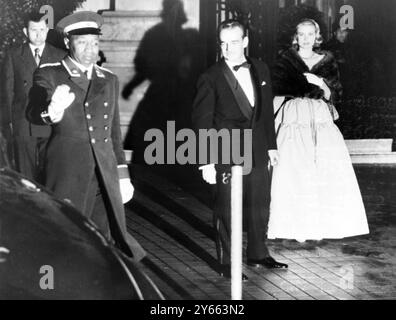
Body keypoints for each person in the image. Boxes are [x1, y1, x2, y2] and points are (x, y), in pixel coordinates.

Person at [27, 11, 146, 261]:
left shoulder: (109, 80)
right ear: (68, 42)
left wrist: (122, 176)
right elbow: (35, 110)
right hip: (69, 173)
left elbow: (114, 134)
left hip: (104, 178)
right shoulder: (50, 74)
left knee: (103, 243)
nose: (90, 49)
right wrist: (53, 111)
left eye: (95, 42)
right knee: (64, 240)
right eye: (82, 42)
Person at [192, 19, 288, 280]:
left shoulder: (260, 68)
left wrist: (271, 146)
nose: (227, 48)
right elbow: (202, 121)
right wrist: (206, 161)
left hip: (257, 148)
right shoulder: (210, 77)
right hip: (226, 148)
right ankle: (228, 262)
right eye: (223, 43)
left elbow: (266, 111)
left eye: (234, 42)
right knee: (226, 207)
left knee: (260, 203)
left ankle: (258, 253)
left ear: (245, 42)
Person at [268, 19, 369, 242]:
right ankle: (296, 226)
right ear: (296, 36)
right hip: (294, 118)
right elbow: (277, 91)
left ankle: (323, 225)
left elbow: (336, 94)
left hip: (321, 117)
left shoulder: (328, 60)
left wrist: (321, 85)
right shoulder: (286, 59)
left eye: (310, 34)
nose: (305, 39)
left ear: (317, 36)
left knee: (324, 168)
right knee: (294, 170)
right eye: (301, 34)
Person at [0, 11, 66, 181]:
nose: (38, 35)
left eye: (42, 30)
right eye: (33, 30)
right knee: (24, 173)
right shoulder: (14, 55)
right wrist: (7, 124)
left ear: (47, 30)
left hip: (50, 121)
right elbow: (7, 91)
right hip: (22, 122)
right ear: (25, 31)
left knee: (49, 170)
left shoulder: (59, 55)